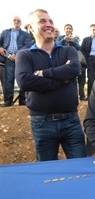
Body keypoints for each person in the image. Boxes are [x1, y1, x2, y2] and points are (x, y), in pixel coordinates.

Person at [15, 9, 86, 161]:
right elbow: (24, 82)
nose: (49, 25)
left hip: (71, 121)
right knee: (47, 173)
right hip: (42, 123)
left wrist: (43, 73)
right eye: (42, 21)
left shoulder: (69, 50)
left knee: (81, 169)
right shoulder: (24, 54)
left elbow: (74, 69)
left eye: (51, 21)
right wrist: (62, 78)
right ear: (30, 27)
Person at [0, 15, 32, 107]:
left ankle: (22, 100)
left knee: (23, 78)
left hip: (21, 59)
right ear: (11, 22)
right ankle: (8, 101)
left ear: (21, 23)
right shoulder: (5, 32)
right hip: (7, 58)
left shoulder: (25, 34)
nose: (16, 22)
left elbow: (27, 45)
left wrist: (17, 54)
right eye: (14, 20)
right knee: (8, 80)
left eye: (18, 20)